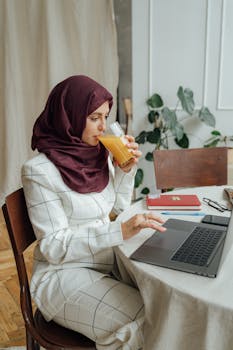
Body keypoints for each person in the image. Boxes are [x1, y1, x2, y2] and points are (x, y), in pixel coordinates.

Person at [21, 75, 166, 350]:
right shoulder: (39, 171)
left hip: (105, 261)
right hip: (62, 275)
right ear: (70, 116)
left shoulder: (97, 155)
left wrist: (125, 170)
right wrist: (118, 231)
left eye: (106, 117)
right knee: (149, 322)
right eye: (94, 118)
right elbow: (52, 247)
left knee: (164, 304)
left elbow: (118, 208)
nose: (103, 127)